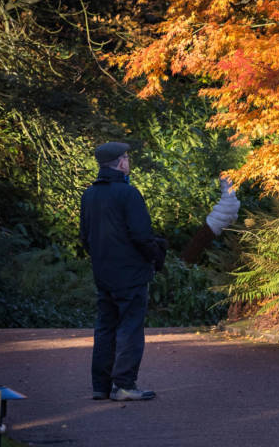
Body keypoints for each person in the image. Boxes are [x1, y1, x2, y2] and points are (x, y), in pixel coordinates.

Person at [79, 141, 165, 401]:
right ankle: (125, 384)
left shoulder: (89, 195)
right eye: (127, 157)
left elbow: (85, 237)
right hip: (130, 273)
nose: (129, 161)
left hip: (103, 272)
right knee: (129, 327)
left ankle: (101, 386)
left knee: (105, 327)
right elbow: (141, 235)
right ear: (120, 162)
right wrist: (156, 256)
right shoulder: (129, 194)